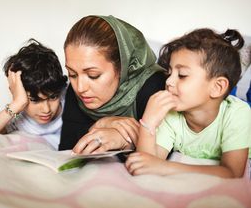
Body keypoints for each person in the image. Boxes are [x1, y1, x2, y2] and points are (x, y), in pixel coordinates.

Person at [125, 28, 251, 178]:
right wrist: (148, 124)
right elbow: (146, 163)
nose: (169, 82)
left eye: (182, 75)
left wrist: (165, 167)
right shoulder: (171, 116)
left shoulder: (238, 113)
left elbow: (232, 173)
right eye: (169, 73)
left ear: (217, 87)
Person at [59, 15, 166, 154]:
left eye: (93, 75)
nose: (80, 88)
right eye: (72, 74)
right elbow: (67, 148)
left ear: (123, 67)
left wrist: (123, 140)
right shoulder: (75, 91)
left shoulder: (154, 86)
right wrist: (102, 124)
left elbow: (166, 148)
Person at [0, 39, 68, 150]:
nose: (46, 109)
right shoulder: (18, 118)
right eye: (35, 100)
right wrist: (17, 103)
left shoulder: (69, 96)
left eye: (53, 97)